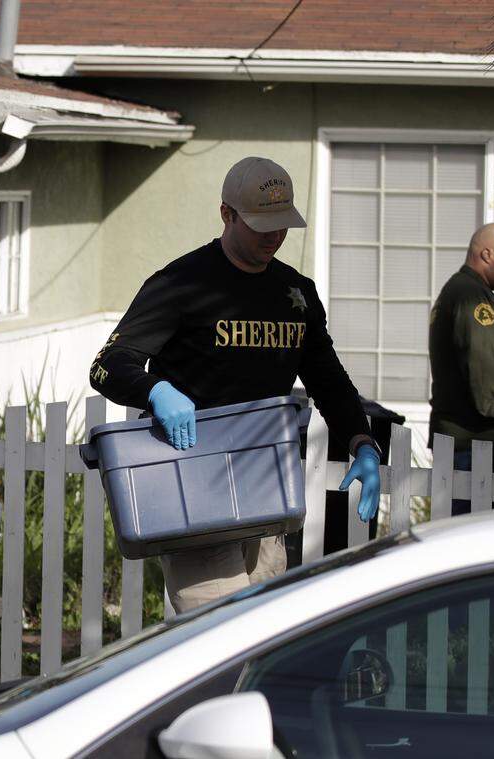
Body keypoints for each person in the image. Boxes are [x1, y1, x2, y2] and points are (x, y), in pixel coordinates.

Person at [90, 156, 382, 613]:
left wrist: (362, 441)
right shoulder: (180, 283)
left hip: (265, 497)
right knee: (216, 638)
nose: (274, 236)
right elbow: (108, 365)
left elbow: (328, 378)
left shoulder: (296, 294)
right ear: (226, 213)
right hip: (194, 492)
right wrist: (155, 390)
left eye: (282, 224)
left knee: (259, 638)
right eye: (260, 223)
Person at [429, 223, 494, 514]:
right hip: (480, 448)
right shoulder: (471, 299)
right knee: (478, 544)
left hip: (475, 447)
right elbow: (485, 371)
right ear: (486, 255)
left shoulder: (467, 292)